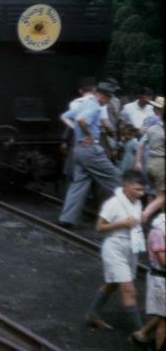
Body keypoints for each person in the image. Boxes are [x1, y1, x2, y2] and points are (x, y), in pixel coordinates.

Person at [85, 170, 146, 335]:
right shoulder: (113, 203)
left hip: (130, 248)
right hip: (115, 247)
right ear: (126, 186)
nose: (141, 194)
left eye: (142, 190)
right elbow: (99, 227)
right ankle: (140, 333)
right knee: (128, 289)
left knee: (113, 283)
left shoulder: (137, 203)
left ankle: (92, 313)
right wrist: (121, 223)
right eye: (137, 189)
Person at [58, 84, 122, 228]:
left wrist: (77, 131)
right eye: (109, 98)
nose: (108, 101)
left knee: (79, 184)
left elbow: (64, 117)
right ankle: (133, 216)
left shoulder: (84, 103)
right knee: (116, 178)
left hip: (79, 149)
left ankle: (66, 219)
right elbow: (81, 120)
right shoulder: (94, 107)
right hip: (91, 150)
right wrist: (87, 134)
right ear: (103, 96)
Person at [131, 211, 166, 347]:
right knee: (164, 319)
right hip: (160, 279)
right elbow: (163, 260)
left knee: (163, 315)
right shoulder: (159, 230)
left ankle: (142, 334)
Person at [136, 96, 164, 224]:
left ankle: (150, 222)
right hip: (161, 164)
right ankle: (146, 216)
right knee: (162, 196)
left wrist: (138, 162)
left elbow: (141, 142)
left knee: (152, 192)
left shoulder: (150, 123)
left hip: (149, 161)